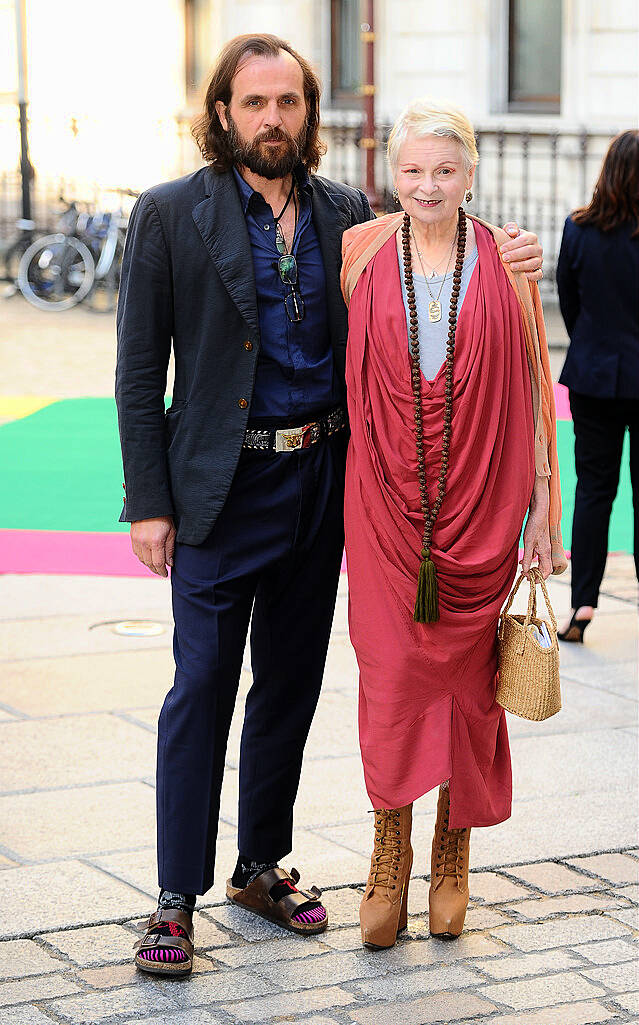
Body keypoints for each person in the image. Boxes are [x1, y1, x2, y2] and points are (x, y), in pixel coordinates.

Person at [116, 36, 544, 976]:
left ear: (309, 114)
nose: (273, 118)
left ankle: (260, 865)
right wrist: (148, 501)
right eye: (253, 101)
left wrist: (516, 250)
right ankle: (173, 897)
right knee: (200, 692)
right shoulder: (170, 213)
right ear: (223, 111)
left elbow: (441, 254)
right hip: (218, 496)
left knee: (289, 691)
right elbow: (140, 368)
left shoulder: (349, 217)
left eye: (289, 102)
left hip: (322, 491)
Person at [340, 98, 566, 950]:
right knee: (391, 680)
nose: (427, 185)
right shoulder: (359, 252)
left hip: (480, 507)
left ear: (469, 174)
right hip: (385, 510)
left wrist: (544, 507)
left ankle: (451, 846)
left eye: (443, 170)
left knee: (471, 691)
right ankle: (387, 846)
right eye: (411, 171)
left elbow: (535, 388)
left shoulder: (507, 262)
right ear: (391, 176)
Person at [556, 130, 639, 643]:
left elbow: (569, 300)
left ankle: (582, 604)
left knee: (593, 492)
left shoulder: (579, 229)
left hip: (591, 376)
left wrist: (591, 343)